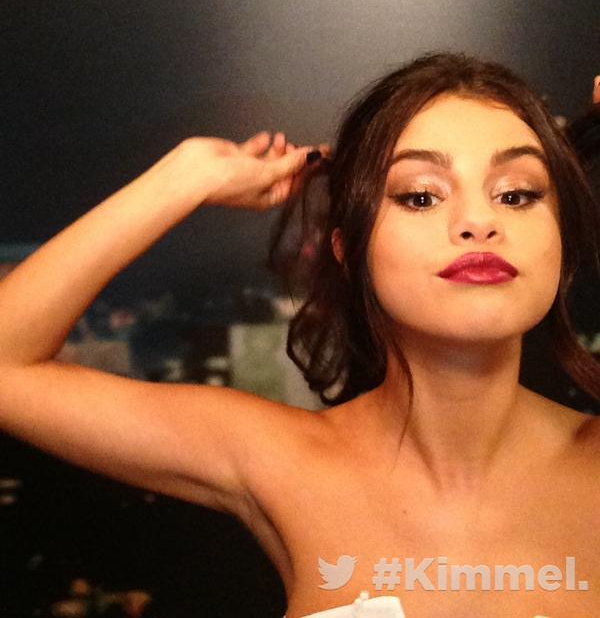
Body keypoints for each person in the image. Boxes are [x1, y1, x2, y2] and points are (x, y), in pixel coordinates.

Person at [0, 53, 599, 618]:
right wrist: (186, 176)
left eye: (517, 194)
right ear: (349, 252)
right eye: (420, 196)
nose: (478, 221)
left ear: (563, 238)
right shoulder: (279, 459)